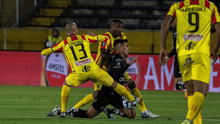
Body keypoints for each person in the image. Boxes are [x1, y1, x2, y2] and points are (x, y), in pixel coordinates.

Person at [41, 22, 136, 117]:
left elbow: (46, 51)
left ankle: (63, 110)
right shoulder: (85, 38)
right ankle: (132, 100)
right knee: (114, 84)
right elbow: (104, 38)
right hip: (93, 70)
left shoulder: (63, 43)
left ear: (67, 32)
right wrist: (96, 37)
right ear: (76, 30)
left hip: (79, 73)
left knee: (66, 84)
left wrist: (43, 51)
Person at [73, 19, 159, 119]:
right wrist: (115, 54)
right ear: (111, 26)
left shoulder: (122, 36)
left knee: (131, 84)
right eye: (117, 27)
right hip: (101, 69)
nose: (119, 29)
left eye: (121, 27)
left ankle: (144, 111)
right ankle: (74, 108)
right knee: (97, 94)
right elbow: (104, 54)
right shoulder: (106, 37)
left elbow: (123, 50)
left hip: (115, 67)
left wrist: (122, 59)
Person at [160, 0, 220, 124]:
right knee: (201, 91)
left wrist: (162, 47)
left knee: (191, 91)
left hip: (182, 54)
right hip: (200, 52)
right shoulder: (210, 6)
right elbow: (219, 29)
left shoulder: (177, 6)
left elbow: (165, 23)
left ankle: (197, 123)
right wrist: (215, 48)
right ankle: (187, 121)